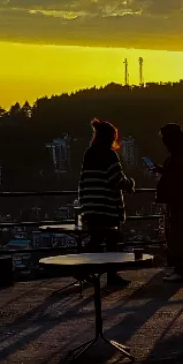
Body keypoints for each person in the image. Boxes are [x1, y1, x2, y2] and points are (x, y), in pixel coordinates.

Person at [78, 118, 134, 288]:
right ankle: (110, 276)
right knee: (111, 242)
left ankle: (83, 268)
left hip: (90, 206)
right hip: (107, 206)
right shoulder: (109, 155)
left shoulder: (90, 153)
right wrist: (130, 183)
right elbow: (116, 179)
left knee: (95, 239)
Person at [154, 122, 183, 281]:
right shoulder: (181, 153)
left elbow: (177, 178)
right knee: (178, 235)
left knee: (178, 235)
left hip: (179, 201)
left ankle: (181, 270)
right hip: (179, 201)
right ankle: (180, 268)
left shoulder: (179, 155)